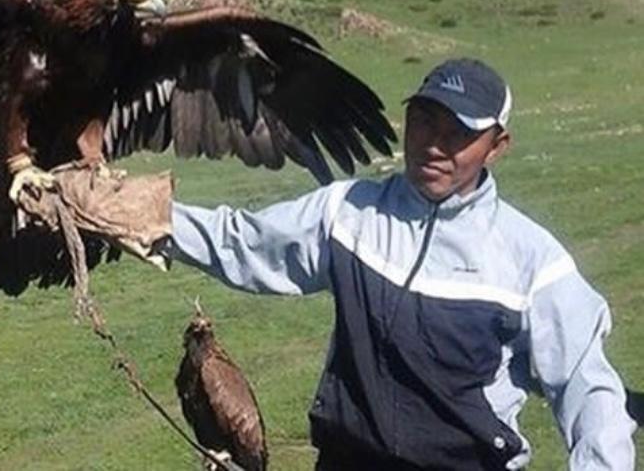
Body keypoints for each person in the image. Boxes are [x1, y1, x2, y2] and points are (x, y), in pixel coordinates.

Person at [170, 58, 637, 470]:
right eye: (424, 121)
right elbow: (242, 242)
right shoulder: (347, 213)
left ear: (497, 146)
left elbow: (587, 388)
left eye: (459, 132)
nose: (435, 144)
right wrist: (143, 216)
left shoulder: (532, 261)